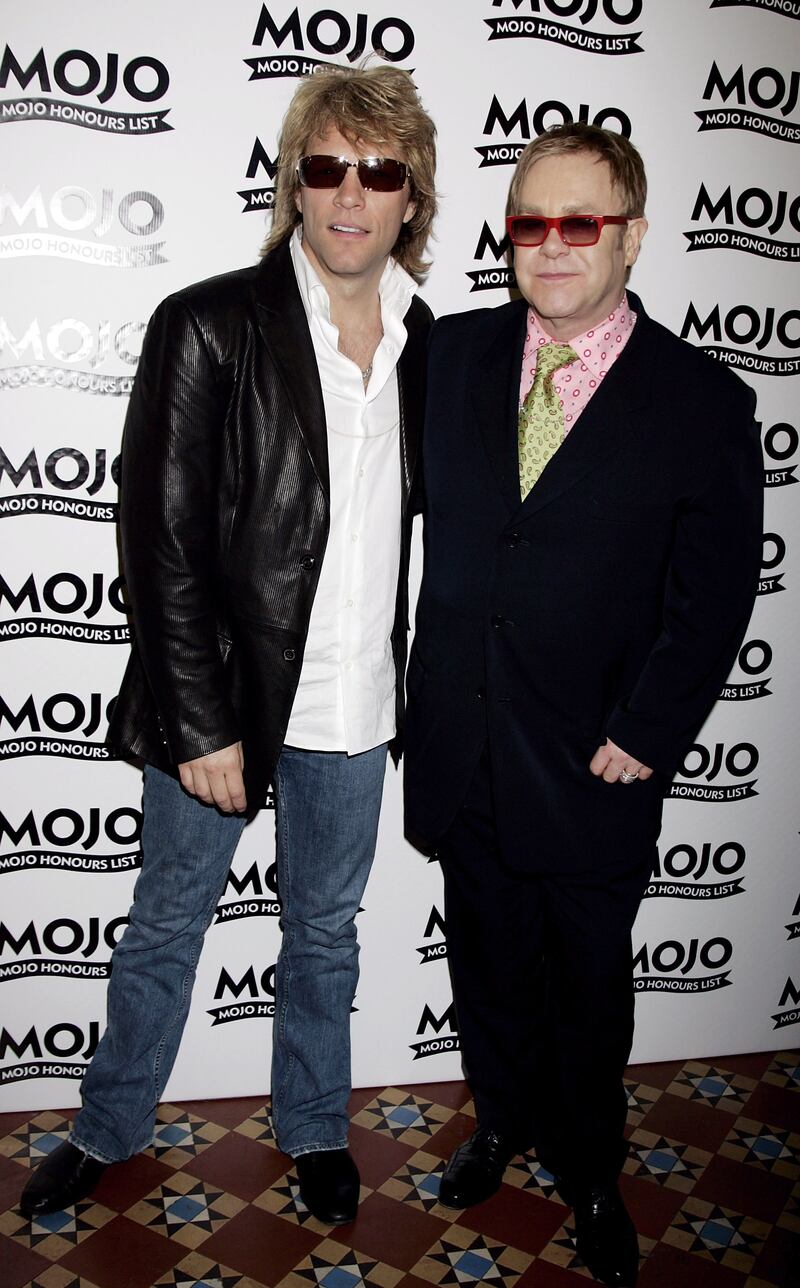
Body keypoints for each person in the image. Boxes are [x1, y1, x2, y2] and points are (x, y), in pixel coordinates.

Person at [20, 65, 437, 1228]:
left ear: (411, 196)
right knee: (165, 923)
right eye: (327, 167)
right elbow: (156, 543)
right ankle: (105, 1128)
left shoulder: (429, 345)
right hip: (228, 705)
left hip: (355, 706)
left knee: (323, 936)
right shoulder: (206, 324)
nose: (351, 194)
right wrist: (202, 722)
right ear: (294, 184)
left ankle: (311, 1128)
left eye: (379, 171)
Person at [404, 123, 761, 1287]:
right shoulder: (446, 358)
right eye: (528, 222)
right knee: (487, 970)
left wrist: (645, 735)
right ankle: (500, 1124)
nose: (548, 246)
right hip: (463, 745)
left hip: (594, 762)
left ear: (632, 236)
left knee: (589, 987)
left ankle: (592, 1167)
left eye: (579, 223)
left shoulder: (701, 399)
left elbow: (708, 600)